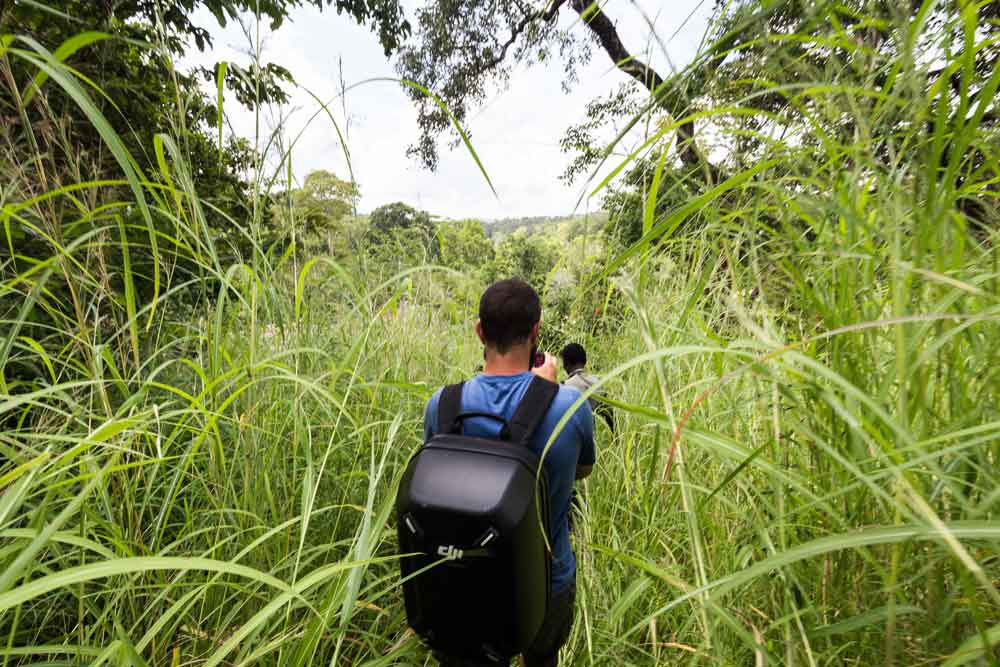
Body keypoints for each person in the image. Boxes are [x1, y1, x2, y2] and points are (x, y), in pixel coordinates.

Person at [423, 278, 596, 667]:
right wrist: (543, 396)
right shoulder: (570, 405)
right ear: (536, 332)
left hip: (463, 579)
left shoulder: (442, 405)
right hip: (545, 583)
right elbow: (582, 470)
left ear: (480, 331)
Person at [560, 343, 614, 433]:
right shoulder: (597, 382)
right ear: (584, 361)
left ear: (566, 364)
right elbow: (609, 414)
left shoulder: (565, 387)